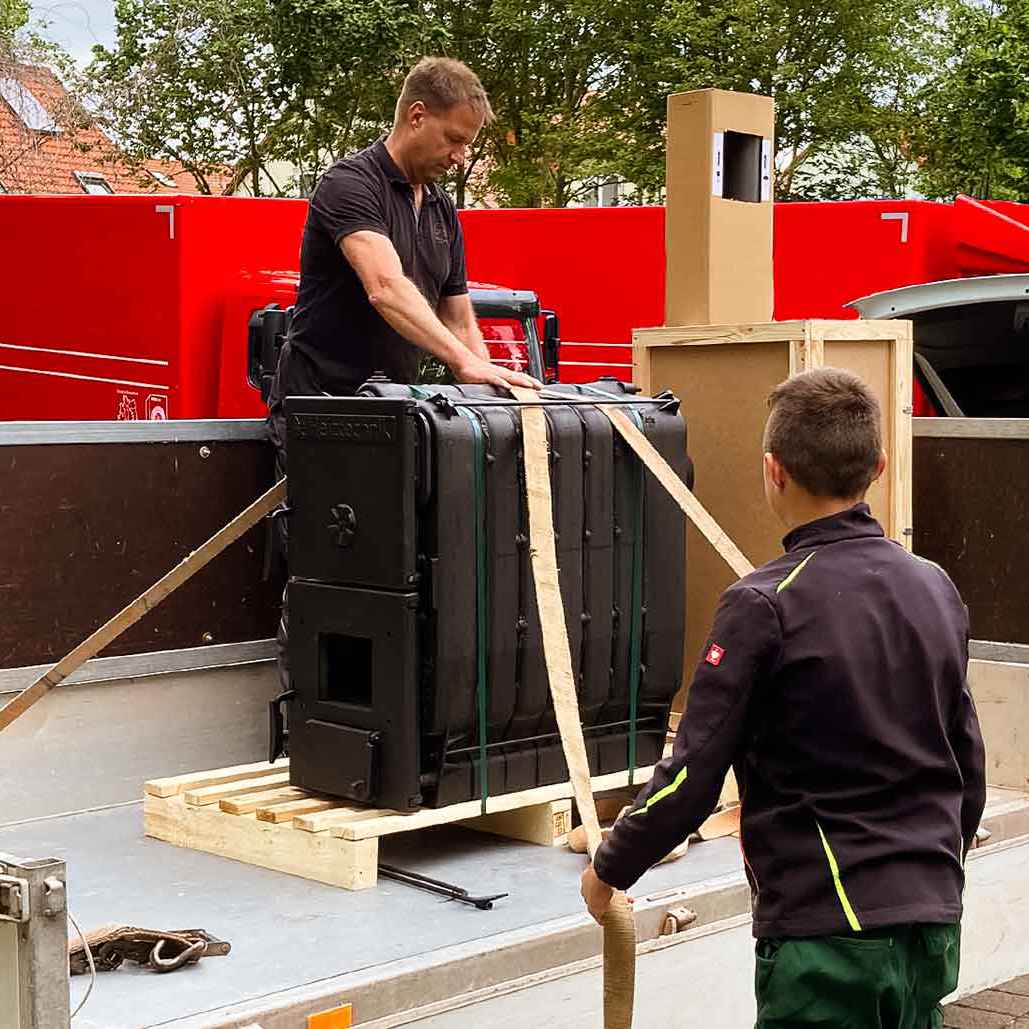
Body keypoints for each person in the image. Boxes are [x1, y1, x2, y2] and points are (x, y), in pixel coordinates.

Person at [581, 368, 986, 1029]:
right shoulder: (932, 585)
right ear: (878, 467)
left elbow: (690, 775)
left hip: (827, 935)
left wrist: (609, 867)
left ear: (773, 470)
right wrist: (935, 870)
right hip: (931, 920)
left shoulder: (762, 604)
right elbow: (965, 756)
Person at [266, 56, 540, 696]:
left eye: (467, 144)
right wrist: (464, 361)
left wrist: (487, 387)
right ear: (416, 116)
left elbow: (460, 317)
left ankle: (394, 714)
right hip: (322, 409)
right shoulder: (349, 185)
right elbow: (387, 288)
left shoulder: (443, 213)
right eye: (453, 139)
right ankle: (307, 717)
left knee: (400, 568)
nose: (460, 155)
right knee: (327, 565)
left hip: (393, 415)